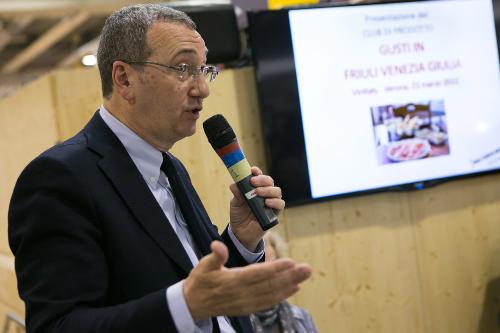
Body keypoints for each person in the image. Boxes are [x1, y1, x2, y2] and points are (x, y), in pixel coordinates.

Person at [8, 4, 311, 333]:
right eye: (183, 68)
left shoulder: (171, 168)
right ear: (124, 79)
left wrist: (241, 238)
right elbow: (59, 326)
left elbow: (207, 288)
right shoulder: (59, 179)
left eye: (204, 70)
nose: (203, 88)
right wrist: (185, 305)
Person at [250, 232, 318, 333]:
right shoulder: (231, 323)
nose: (268, 280)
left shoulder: (302, 318)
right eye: (259, 271)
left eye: (274, 268)